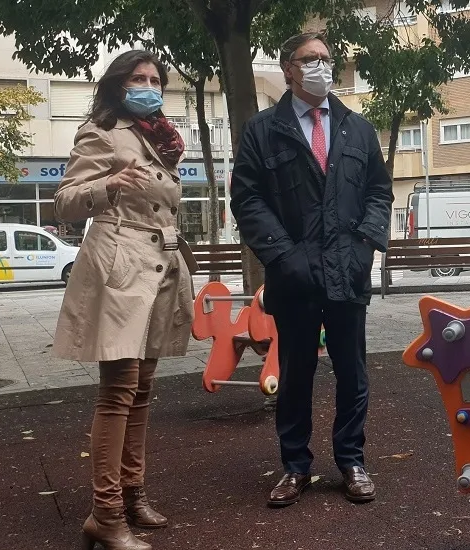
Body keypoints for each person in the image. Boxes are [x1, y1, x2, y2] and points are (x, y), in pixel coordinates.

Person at [229, 32, 394, 507]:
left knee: (353, 372)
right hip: (295, 278)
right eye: (310, 59)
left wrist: (366, 246)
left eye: (326, 58)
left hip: (348, 273)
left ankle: (351, 460)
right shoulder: (263, 130)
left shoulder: (356, 128)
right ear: (288, 67)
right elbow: (248, 199)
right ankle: (295, 467)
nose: (321, 66)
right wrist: (284, 255)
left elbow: (378, 192)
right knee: (296, 375)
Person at [52, 49, 195, 550]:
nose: (148, 84)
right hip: (121, 267)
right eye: (138, 77)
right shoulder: (102, 130)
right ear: (118, 85)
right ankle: (106, 514)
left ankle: (133, 496)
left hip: (159, 265)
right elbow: (66, 199)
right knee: (119, 387)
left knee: (144, 388)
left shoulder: (162, 136)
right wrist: (108, 185)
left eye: (156, 78)